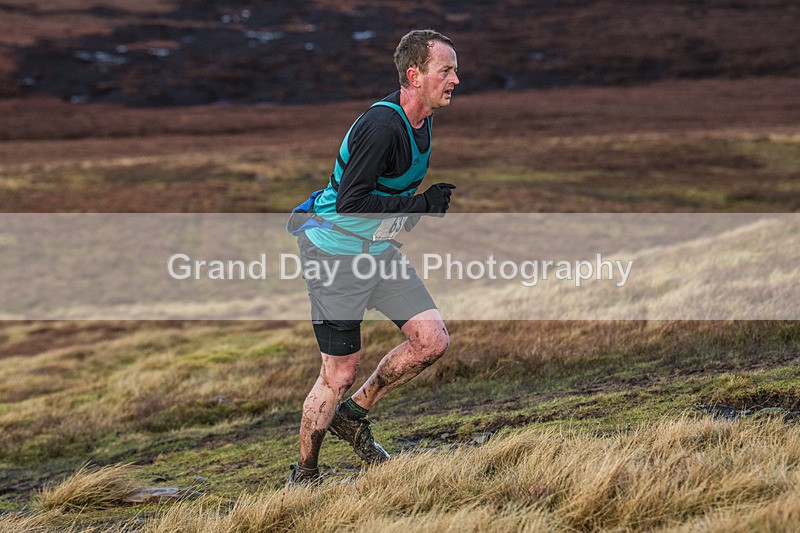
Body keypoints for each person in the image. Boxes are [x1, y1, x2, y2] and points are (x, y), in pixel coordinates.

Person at [287, 29, 460, 486]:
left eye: (454, 70)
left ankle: (352, 416)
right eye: (446, 70)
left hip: (377, 252)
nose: (455, 79)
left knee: (432, 341)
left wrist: (417, 210)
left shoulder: (424, 122)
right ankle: (304, 475)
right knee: (339, 372)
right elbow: (351, 202)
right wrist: (421, 205)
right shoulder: (382, 126)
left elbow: (387, 198)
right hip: (334, 255)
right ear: (414, 75)